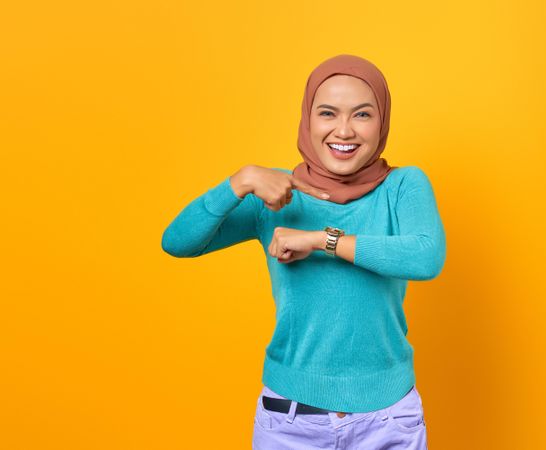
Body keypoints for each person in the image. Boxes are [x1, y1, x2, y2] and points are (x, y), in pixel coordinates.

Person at [161, 54, 446, 449]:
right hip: (291, 422)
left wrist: (319, 240)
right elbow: (177, 243)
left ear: (382, 123)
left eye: (362, 115)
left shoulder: (403, 186)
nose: (344, 130)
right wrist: (239, 182)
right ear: (307, 120)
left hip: (388, 420)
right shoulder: (276, 195)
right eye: (327, 113)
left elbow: (425, 256)